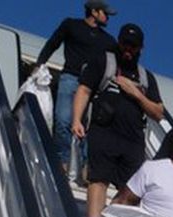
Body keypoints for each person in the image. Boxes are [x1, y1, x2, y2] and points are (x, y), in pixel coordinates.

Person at [72, 23, 164, 217]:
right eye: (125, 44)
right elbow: (84, 90)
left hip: (132, 139)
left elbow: (158, 112)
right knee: (99, 178)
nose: (128, 50)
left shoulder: (145, 77)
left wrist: (136, 94)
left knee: (128, 189)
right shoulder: (104, 62)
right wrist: (77, 119)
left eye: (133, 46)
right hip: (104, 131)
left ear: (141, 48)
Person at [34, 0, 117, 177]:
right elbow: (53, 43)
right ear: (94, 12)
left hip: (93, 88)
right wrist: (39, 63)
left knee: (88, 127)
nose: (108, 17)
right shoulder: (71, 25)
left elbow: (115, 66)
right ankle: (62, 161)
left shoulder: (109, 41)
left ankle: (86, 167)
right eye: (105, 13)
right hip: (70, 78)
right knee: (63, 120)